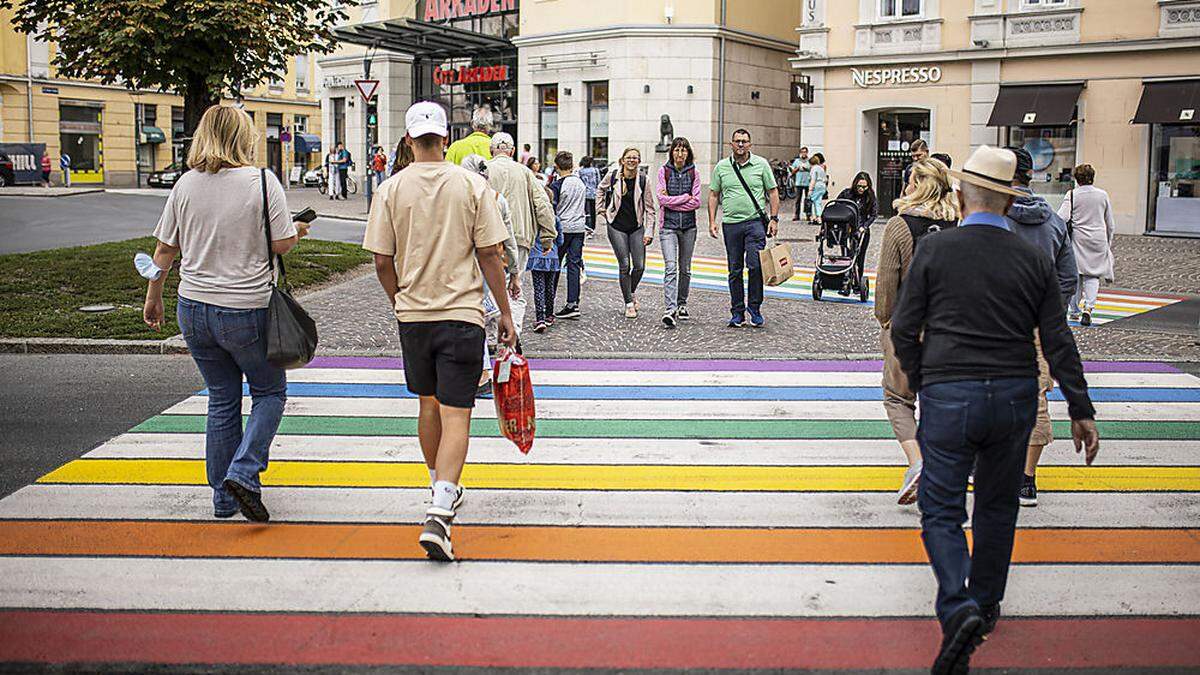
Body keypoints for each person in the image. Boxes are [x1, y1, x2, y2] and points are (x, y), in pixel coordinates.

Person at [890, 145, 1099, 675]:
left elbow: (901, 327)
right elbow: (1057, 336)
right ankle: (984, 606)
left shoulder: (937, 251)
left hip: (950, 395)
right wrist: (1080, 407)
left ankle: (956, 606)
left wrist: (921, 381)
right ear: (1009, 203)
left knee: (940, 509)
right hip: (1012, 398)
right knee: (997, 509)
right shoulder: (1032, 257)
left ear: (960, 196)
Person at [362, 101, 515, 562]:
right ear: (445, 139)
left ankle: (438, 485)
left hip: (414, 317)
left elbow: (381, 262)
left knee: (428, 405)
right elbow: (491, 255)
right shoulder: (471, 185)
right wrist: (505, 312)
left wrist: (398, 301)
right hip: (462, 315)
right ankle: (441, 509)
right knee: (457, 415)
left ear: (409, 141)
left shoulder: (389, 190)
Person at [142, 104, 309, 522]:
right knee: (270, 393)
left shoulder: (184, 185)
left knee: (221, 399)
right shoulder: (262, 181)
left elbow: (165, 249)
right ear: (244, 137)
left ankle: (223, 499)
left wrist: (153, 296)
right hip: (245, 309)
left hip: (193, 308)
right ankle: (244, 473)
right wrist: (297, 230)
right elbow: (283, 243)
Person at [873, 158, 960, 505]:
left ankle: (918, 463)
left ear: (919, 184)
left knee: (897, 398)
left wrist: (885, 321)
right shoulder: (958, 223)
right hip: (949, 328)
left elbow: (887, 282)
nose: (906, 185)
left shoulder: (899, 225)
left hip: (908, 327)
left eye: (910, 179)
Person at [1006, 145, 1078, 508]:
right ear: (1030, 176)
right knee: (1035, 398)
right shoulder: (1053, 222)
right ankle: (1027, 480)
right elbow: (1069, 276)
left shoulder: (992, 216)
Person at [461, 154, 521, 397]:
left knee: (478, 316)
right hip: (491, 266)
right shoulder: (498, 199)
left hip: (470, 267)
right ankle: (490, 364)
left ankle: (483, 371)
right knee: (488, 313)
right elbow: (509, 239)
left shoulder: (461, 199)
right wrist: (515, 272)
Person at [486, 132, 557, 334]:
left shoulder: (484, 170)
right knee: (515, 286)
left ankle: (492, 335)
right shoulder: (524, 172)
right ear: (513, 151)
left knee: (490, 286)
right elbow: (542, 204)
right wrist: (547, 237)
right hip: (520, 237)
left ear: (491, 150)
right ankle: (513, 332)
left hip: (490, 237)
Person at [708, 128, 780, 328]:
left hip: (755, 223)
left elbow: (773, 192)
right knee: (734, 270)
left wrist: (774, 219)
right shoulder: (722, 167)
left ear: (750, 144)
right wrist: (712, 221)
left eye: (744, 141)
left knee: (755, 266)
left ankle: (754, 308)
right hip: (731, 224)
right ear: (731, 144)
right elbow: (714, 194)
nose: (741, 144)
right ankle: (737, 312)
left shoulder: (761, 164)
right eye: (737, 141)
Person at [598, 147, 658, 318]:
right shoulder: (613, 176)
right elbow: (600, 189)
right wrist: (601, 209)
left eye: (635, 158)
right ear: (622, 160)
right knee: (625, 265)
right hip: (616, 226)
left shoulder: (644, 180)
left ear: (639, 162)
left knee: (639, 266)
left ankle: (630, 291)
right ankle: (628, 303)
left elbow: (650, 209)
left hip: (636, 227)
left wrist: (649, 231)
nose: (632, 160)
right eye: (629, 157)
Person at [1058, 163, 1115, 327]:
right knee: (1093, 275)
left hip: (1079, 238)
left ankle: (1074, 310)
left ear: (1077, 178)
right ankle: (1088, 309)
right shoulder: (1102, 195)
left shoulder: (1073, 195)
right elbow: (1110, 222)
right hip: (1098, 239)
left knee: (1076, 275)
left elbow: (1062, 217)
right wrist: (1108, 242)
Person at [657, 136, 701, 327]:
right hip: (668, 226)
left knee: (685, 269)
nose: (680, 153)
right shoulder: (663, 171)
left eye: (683, 150)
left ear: (688, 152)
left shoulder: (694, 173)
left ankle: (682, 303)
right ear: (672, 152)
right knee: (671, 268)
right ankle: (670, 308)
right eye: (677, 149)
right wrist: (684, 198)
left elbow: (697, 202)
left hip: (689, 227)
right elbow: (661, 199)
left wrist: (672, 201)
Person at [550, 151, 588, 320]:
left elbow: (552, 209)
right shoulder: (580, 183)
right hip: (579, 228)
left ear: (556, 167)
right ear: (572, 166)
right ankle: (573, 303)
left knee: (554, 266)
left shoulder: (557, 185)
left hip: (562, 229)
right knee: (573, 265)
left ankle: (549, 301)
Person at [528, 211, 563, 333]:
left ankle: (540, 318)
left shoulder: (533, 218)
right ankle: (549, 314)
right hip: (552, 257)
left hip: (537, 258)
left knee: (539, 289)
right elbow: (560, 240)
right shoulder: (555, 219)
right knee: (550, 287)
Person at [834, 171, 879, 261]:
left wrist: (865, 226)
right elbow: (837, 206)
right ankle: (847, 274)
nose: (861, 189)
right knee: (846, 256)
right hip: (846, 228)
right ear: (855, 184)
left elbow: (874, 214)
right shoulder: (847, 193)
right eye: (859, 186)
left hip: (861, 228)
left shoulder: (870, 196)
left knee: (860, 257)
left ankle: (859, 274)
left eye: (864, 187)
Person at [578, 156, 601, 237]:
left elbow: (579, 183)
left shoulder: (580, 171)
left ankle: (588, 229)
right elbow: (599, 182)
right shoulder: (595, 170)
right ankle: (593, 228)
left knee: (587, 212)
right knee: (593, 212)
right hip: (594, 194)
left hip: (584, 194)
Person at [790, 146, 811, 222]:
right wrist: (797, 169)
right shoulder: (797, 161)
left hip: (807, 183)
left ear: (807, 153)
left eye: (805, 152)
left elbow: (812, 170)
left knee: (808, 199)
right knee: (797, 199)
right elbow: (792, 172)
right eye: (802, 152)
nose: (804, 154)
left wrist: (807, 169)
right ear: (800, 153)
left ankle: (808, 214)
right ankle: (796, 215)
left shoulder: (810, 161)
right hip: (798, 182)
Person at [808, 153, 828, 223]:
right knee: (818, 202)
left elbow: (813, 180)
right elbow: (825, 179)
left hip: (816, 185)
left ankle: (815, 217)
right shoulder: (821, 168)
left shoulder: (814, 169)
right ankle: (818, 217)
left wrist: (810, 190)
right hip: (822, 185)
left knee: (813, 201)